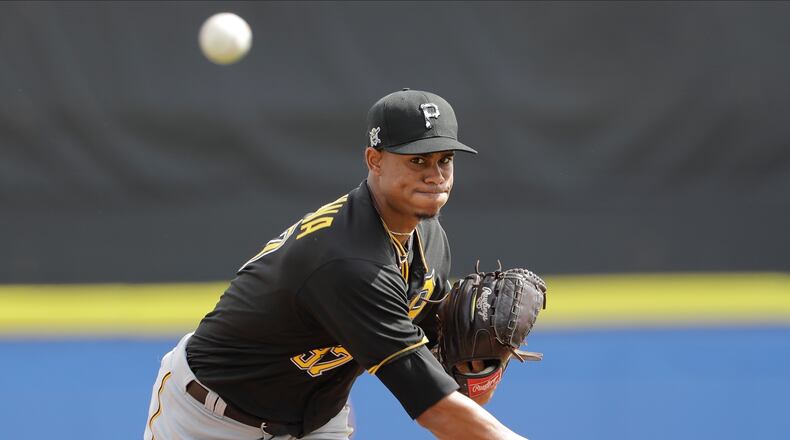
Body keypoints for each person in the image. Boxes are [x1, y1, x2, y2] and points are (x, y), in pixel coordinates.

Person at [144, 89, 529, 440]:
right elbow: (435, 410)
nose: (435, 175)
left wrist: (479, 369)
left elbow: (447, 376)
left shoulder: (428, 239)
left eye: (445, 160)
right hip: (209, 418)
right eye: (418, 160)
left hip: (316, 419)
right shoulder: (347, 260)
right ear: (374, 160)